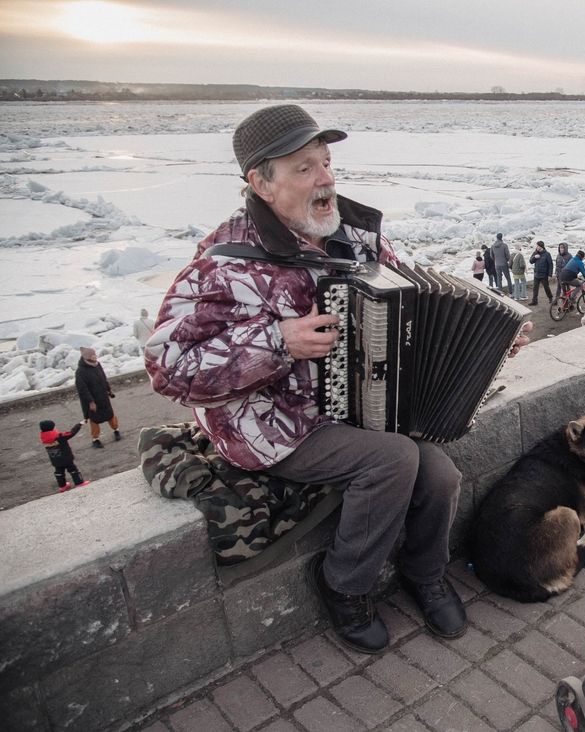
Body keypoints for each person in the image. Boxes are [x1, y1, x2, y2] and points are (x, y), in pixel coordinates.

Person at [145, 104, 532, 655]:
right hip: (273, 424)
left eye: (326, 162)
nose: (325, 178)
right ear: (260, 182)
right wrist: (278, 342)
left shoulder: (356, 235)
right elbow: (168, 368)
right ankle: (344, 587)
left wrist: (493, 341)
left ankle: (424, 573)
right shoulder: (224, 264)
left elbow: (415, 305)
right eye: (304, 168)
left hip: (359, 406)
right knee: (393, 459)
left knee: (440, 473)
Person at [75, 346, 120, 448]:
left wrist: (108, 389)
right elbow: (82, 389)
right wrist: (90, 402)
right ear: (87, 357)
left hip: (103, 396)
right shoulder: (80, 371)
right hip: (93, 399)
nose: (95, 357)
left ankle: (116, 430)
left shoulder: (97, 365)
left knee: (110, 414)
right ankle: (95, 439)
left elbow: (103, 378)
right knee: (94, 419)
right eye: (92, 355)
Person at [39, 420, 89, 492]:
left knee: (59, 472)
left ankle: (62, 486)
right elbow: (71, 433)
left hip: (55, 460)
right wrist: (79, 424)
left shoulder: (43, 438)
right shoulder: (59, 436)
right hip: (66, 458)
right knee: (73, 470)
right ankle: (79, 482)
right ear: (52, 428)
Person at [528, 241, 553, 305]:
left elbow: (550, 264)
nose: (537, 247)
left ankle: (550, 298)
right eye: (536, 246)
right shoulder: (535, 253)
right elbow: (531, 261)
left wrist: (550, 274)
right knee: (535, 288)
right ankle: (534, 301)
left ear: (541, 247)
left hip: (544, 274)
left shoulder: (547, 254)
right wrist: (534, 257)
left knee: (546, 287)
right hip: (536, 274)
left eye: (538, 246)